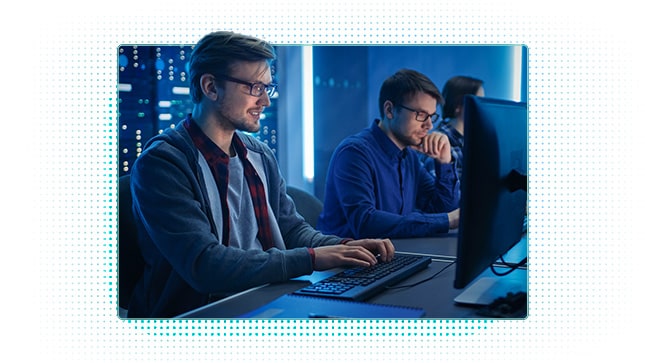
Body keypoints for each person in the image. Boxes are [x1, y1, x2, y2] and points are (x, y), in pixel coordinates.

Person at [127, 31, 394, 318]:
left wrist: (344, 247)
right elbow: (205, 266)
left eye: (268, 87)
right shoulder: (163, 163)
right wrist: (314, 258)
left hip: (270, 297)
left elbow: (291, 231)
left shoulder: (259, 154)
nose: (265, 101)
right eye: (255, 88)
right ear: (211, 87)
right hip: (201, 313)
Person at [316, 69, 461, 240]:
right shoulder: (354, 153)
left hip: (392, 255)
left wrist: (444, 161)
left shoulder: (409, 157)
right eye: (421, 115)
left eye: (432, 116)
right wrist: (447, 221)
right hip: (346, 262)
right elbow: (366, 223)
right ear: (390, 110)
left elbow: (443, 209)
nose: (429, 125)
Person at [420, 75, 485, 179]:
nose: (484, 108)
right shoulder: (438, 143)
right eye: (478, 102)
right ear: (458, 106)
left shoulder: (472, 141)